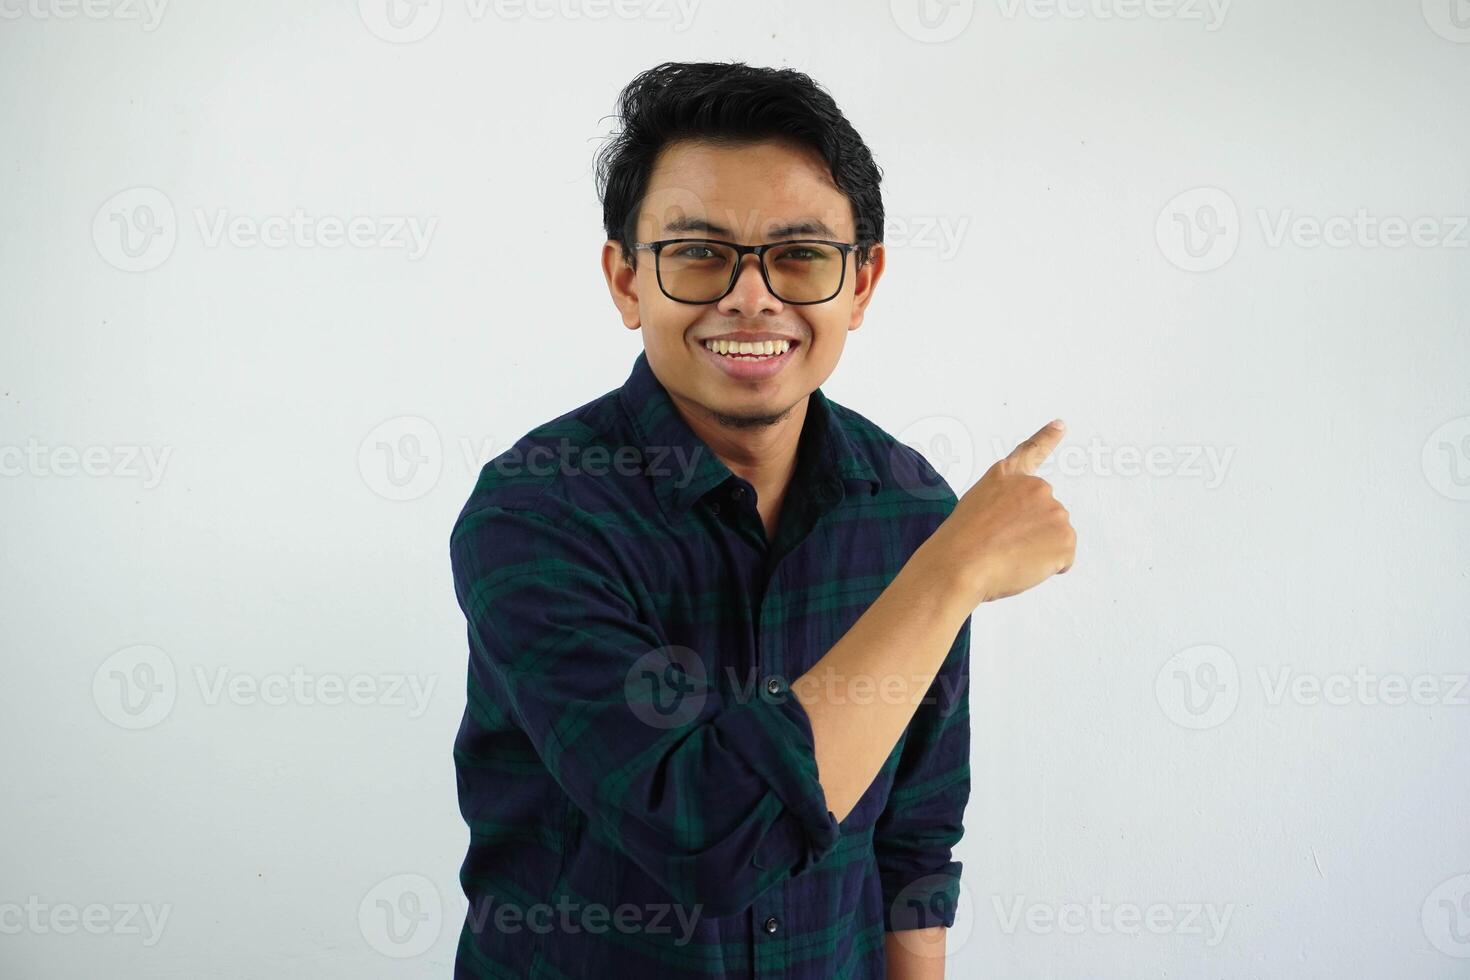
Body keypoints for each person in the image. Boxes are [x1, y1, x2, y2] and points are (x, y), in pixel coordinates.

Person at [449, 60, 1076, 979]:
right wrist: (949, 576)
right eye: (698, 253)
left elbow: (915, 843)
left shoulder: (912, 508)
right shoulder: (536, 516)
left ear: (861, 285)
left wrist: (943, 561)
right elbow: (702, 833)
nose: (752, 297)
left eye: (801, 255)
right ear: (627, 281)